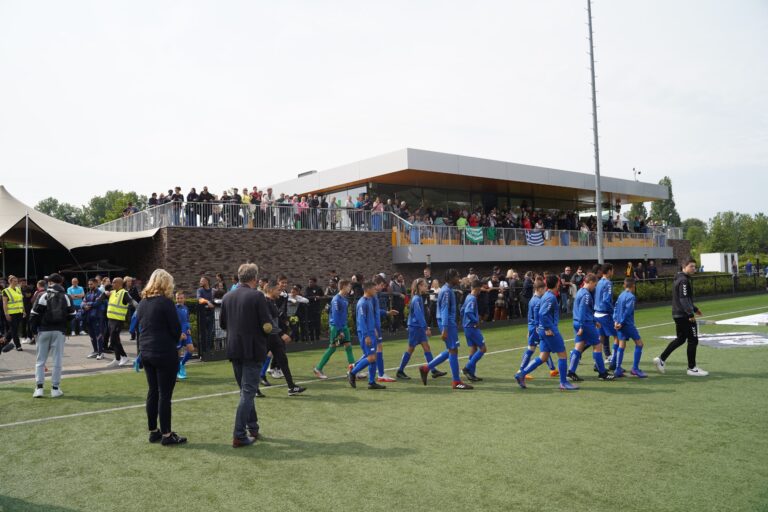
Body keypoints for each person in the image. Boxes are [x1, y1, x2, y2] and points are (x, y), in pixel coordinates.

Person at [220, 263, 273, 447]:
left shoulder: (227, 296)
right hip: (253, 350)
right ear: (254, 278)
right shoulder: (257, 296)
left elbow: (223, 325)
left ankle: (253, 427)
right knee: (248, 392)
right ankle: (239, 434)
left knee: (246, 392)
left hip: (234, 349)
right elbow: (267, 325)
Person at [134, 269, 186, 445]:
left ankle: (153, 431)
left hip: (146, 351)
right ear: (166, 284)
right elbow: (176, 329)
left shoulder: (142, 303)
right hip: (164, 351)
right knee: (165, 395)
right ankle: (166, 434)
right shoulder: (166, 303)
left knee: (153, 391)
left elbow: (139, 328)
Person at [514, 274, 578, 391]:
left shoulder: (546, 295)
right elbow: (542, 314)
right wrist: (548, 328)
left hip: (543, 330)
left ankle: (521, 374)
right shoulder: (550, 297)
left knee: (543, 356)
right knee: (562, 354)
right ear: (557, 284)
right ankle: (563, 383)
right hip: (549, 331)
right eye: (559, 282)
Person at [418, 269, 473, 390]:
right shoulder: (447, 292)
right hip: (447, 324)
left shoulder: (447, 290)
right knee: (453, 351)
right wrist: (445, 329)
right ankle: (456, 382)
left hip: (447, 323)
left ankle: (426, 368)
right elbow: (444, 310)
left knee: (451, 350)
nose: (459, 279)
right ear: (451, 278)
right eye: (457, 276)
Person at [653, 259, 708, 377]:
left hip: (678, 314)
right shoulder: (683, 280)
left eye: (695, 266)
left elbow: (684, 298)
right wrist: (690, 314)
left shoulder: (679, 278)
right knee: (693, 340)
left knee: (681, 339)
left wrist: (694, 308)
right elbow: (683, 299)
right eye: (691, 266)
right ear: (684, 267)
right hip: (683, 315)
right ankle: (692, 368)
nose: (694, 268)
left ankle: (661, 359)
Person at [29, 273, 76, 398]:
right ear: (61, 282)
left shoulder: (42, 295)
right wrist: (63, 324)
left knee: (40, 361)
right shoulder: (66, 296)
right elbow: (72, 315)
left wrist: (34, 331)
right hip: (59, 331)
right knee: (57, 360)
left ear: (49, 282)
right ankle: (55, 389)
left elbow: (34, 314)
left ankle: (39, 389)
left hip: (43, 331)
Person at [396, 278, 446, 380]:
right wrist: (425, 328)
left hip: (417, 327)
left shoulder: (418, 298)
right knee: (411, 348)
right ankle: (400, 371)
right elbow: (418, 315)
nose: (426, 287)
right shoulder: (416, 299)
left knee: (426, 347)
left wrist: (425, 327)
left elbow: (420, 315)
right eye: (424, 285)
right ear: (419, 286)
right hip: (415, 327)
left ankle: (433, 369)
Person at [567, 273, 614, 382]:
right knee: (597, 345)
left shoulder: (580, 292)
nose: (595, 287)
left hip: (578, 322)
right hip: (585, 324)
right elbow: (583, 311)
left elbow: (585, 310)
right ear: (591, 282)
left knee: (578, 347)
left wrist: (594, 321)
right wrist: (583, 326)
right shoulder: (586, 295)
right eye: (595, 284)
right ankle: (602, 373)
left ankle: (571, 372)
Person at [263, 280, 306, 396]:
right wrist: (282, 334)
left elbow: (275, 320)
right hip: (267, 338)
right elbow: (269, 322)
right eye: (278, 290)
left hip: (274, 337)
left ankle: (291, 387)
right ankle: (254, 388)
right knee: (257, 363)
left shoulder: (272, 302)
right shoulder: (266, 302)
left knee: (283, 360)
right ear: (271, 290)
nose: (280, 292)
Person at [313, 279, 356, 379]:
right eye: (349, 286)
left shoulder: (345, 299)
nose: (350, 288)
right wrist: (340, 331)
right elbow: (336, 317)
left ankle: (353, 371)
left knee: (348, 347)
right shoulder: (336, 299)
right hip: (336, 327)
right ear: (344, 287)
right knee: (332, 347)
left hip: (343, 326)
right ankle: (318, 368)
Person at [347, 281, 385, 390]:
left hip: (371, 332)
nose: (375, 290)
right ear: (368, 290)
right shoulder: (362, 303)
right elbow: (361, 321)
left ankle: (371, 382)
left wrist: (374, 330)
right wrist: (367, 335)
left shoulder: (369, 301)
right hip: (366, 334)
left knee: (373, 357)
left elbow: (370, 318)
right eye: (374, 288)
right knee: (371, 357)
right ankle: (352, 373)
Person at [517, 277, 556, 379]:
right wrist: (538, 329)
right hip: (536, 328)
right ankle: (521, 370)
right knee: (531, 349)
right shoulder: (537, 301)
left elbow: (530, 316)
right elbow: (536, 317)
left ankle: (552, 369)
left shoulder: (533, 300)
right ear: (539, 289)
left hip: (533, 328)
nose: (545, 291)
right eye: (544, 289)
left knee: (544, 347)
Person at [612, 278, 646, 378]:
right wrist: (621, 323)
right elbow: (627, 312)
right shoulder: (631, 297)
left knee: (621, 345)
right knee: (639, 344)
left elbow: (615, 308)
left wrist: (615, 321)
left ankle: (617, 369)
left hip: (618, 323)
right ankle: (635, 369)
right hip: (627, 324)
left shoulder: (621, 295)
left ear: (624, 285)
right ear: (633, 286)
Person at [372, 274, 398, 383]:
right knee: (374, 351)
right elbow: (372, 313)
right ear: (376, 284)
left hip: (376, 325)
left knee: (375, 350)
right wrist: (373, 328)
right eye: (381, 285)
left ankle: (381, 374)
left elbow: (376, 311)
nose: (383, 287)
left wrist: (387, 312)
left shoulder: (375, 295)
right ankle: (381, 374)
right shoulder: (372, 296)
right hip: (373, 326)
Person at [105, 277, 137, 367]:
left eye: (114, 282)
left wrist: (139, 308)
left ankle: (124, 357)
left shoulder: (124, 293)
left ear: (120, 284)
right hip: (110, 320)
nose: (112, 284)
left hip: (118, 320)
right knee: (115, 340)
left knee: (114, 339)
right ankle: (117, 358)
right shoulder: (113, 292)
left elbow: (132, 302)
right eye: (112, 282)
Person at [461, 280, 486, 382]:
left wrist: (464, 321)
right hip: (472, 327)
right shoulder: (472, 299)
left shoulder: (467, 297)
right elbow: (468, 311)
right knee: (483, 349)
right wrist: (476, 321)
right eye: (480, 289)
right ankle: (467, 368)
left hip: (467, 327)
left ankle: (471, 374)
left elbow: (462, 310)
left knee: (473, 349)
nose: (481, 291)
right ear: (477, 288)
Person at [595, 263, 618, 366]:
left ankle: (599, 361)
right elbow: (606, 300)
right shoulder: (608, 283)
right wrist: (613, 312)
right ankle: (614, 362)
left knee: (601, 338)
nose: (613, 272)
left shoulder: (599, 282)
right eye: (612, 270)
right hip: (605, 314)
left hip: (597, 314)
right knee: (618, 337)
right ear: (609, 271)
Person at [82, 278, 105, 359]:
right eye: (88, 284)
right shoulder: (88, 293)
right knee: (91, 335)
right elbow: (82, 303)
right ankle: (95, 351)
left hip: (97, 317)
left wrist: (87, 304)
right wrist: (84, 306)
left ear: (96, 284)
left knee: (99, 335)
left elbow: (97, 303)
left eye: (91, 284)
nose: (89, 286)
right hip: (88, 317)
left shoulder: (100, 293)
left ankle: (101, 352)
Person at [2, 275, 25, 351]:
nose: (16, 282)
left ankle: (4, 341)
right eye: (14, 281)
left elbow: (21, 301)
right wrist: (6, 313)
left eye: (17, 281)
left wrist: (23, 311)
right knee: (14, 330)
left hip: (19, 312)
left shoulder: (18, 289)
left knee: (13, 329)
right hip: (12, 313)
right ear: (10, 282)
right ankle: (18, 345)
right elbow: (4, 303)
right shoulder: (6, 291)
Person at [175, 291, 194, 380]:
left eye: (181, 298)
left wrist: (188, 328)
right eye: (178, 298)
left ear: (184, 298)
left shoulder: (186, 308)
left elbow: (186, 320)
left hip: (186, 332)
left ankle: (182, 364)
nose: (179, 299)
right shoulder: (174, 308)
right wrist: (179, 333)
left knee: (191, 349)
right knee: (177, 354)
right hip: (178, 333)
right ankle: (178, 371)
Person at [196, 277, 215, 353]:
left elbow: (216, 299)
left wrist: (214, 304)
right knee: (203, 334)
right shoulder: (200, 290)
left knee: (211, 333)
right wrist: (207, 302)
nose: (200, 282)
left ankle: (209, 350)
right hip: (203, 314)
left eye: (202, 281)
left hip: (211, 314)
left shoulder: (213, 290)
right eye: (200, 280)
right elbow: (199, 299)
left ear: (207, 281)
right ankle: (203, 352)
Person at [305, 277, 324, 342]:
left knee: (317, 323)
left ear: (315, 282)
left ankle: (318, 337)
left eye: (311, 282)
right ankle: (312, 337)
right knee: (311, 323)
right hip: (310, 309)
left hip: (317, 309)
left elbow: (322, 296)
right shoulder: (307, 289)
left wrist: (319, 297)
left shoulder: (318, 288)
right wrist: (314, 297)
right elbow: (306, 296)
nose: (310, 283)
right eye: (309, 282)